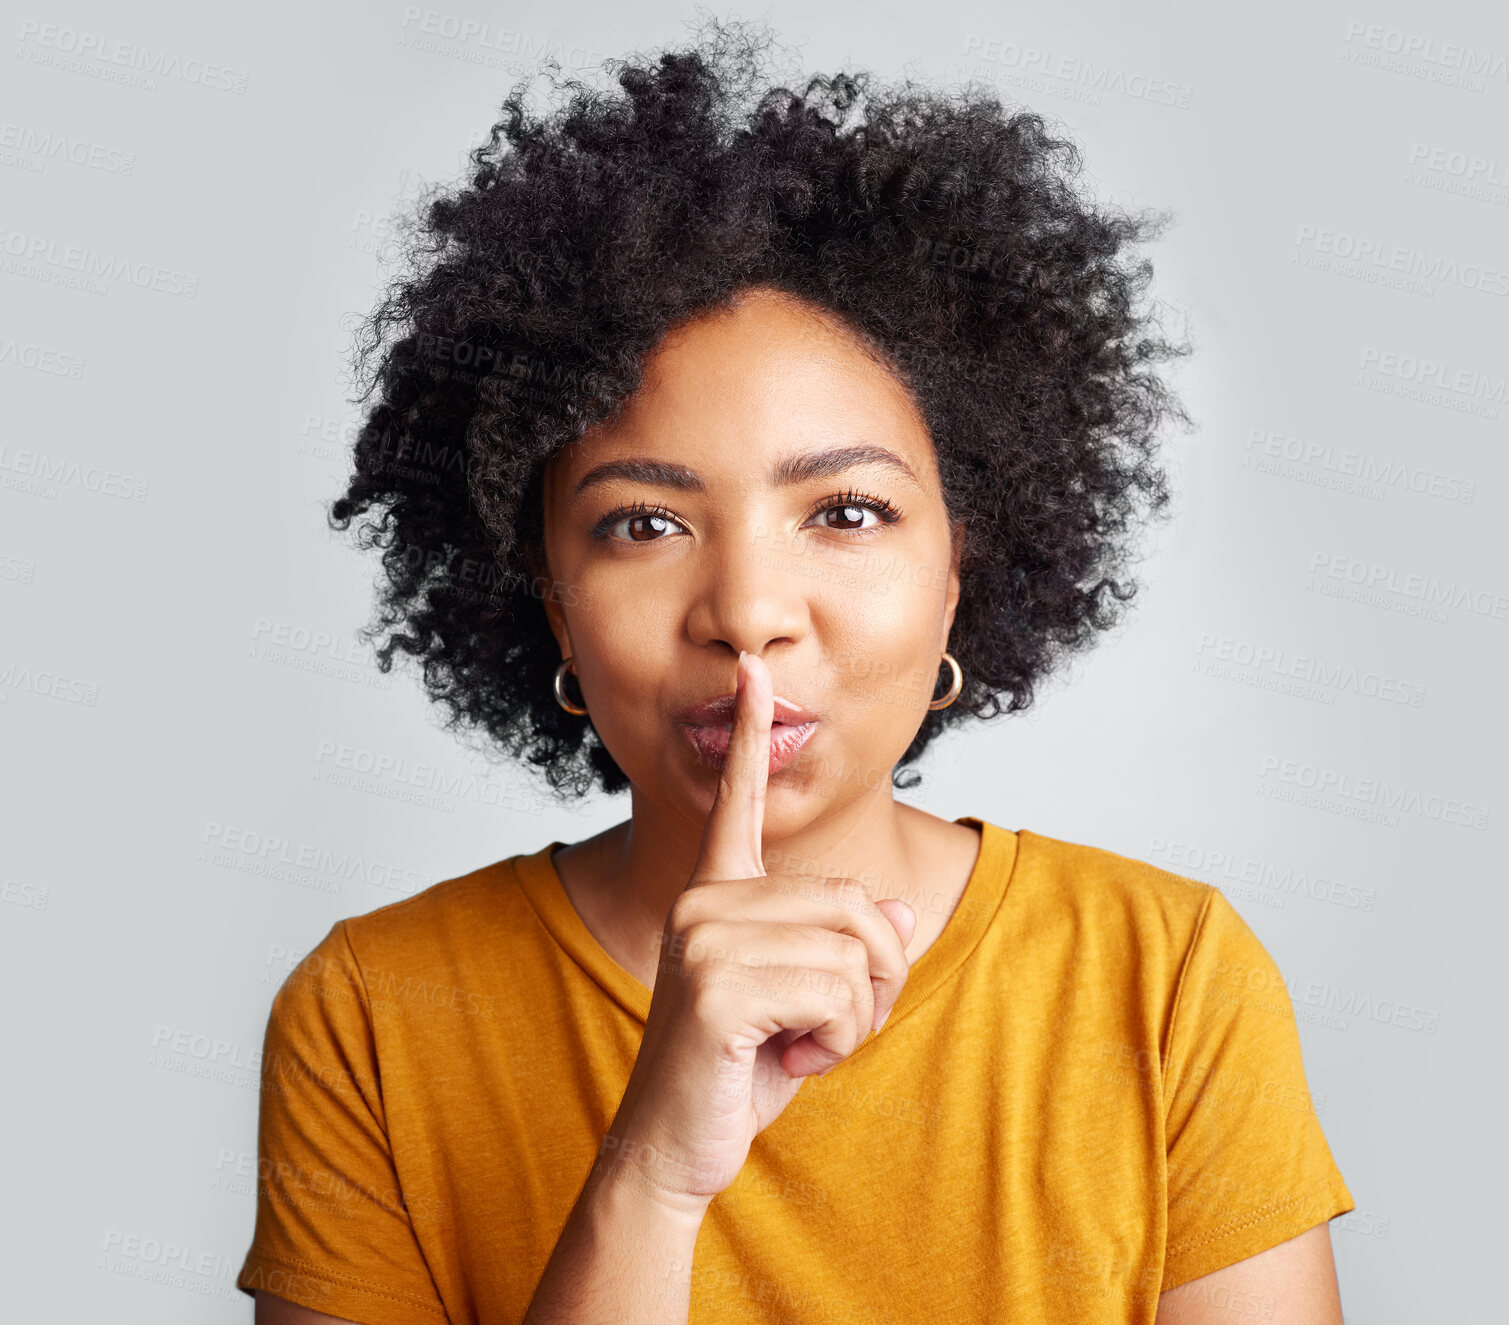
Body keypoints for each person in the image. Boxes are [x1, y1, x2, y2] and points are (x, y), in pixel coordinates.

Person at [238, 20, 1352, 1325]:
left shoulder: (1164, 978)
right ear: (542, 594)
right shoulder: (378, 1011)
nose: (749, 613)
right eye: (641, 524)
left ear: (961, 566)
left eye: (846, 512)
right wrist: (650, 1173)